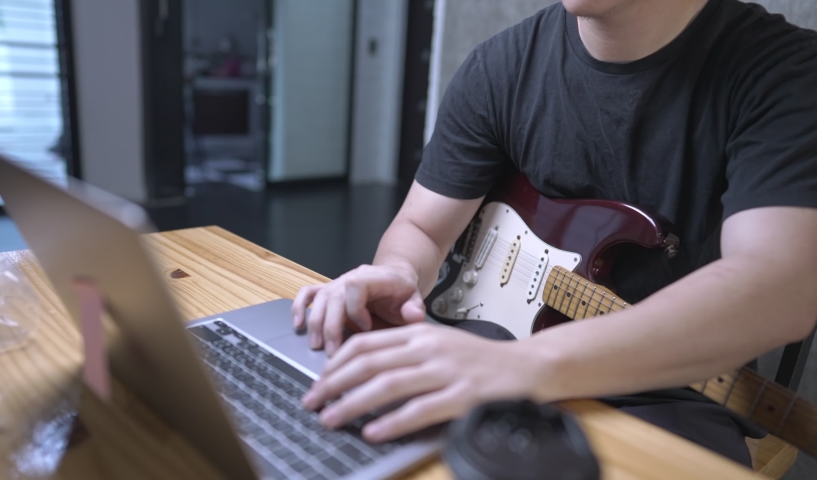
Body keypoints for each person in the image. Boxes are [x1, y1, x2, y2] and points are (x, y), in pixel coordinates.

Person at [293, 0, 817, 467]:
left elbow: (779, 287)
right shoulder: (500, 66)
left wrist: (523, 366)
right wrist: (396, 272)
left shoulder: (787, 73)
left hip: (665, 393)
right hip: (484, 357)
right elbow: (422, 229)